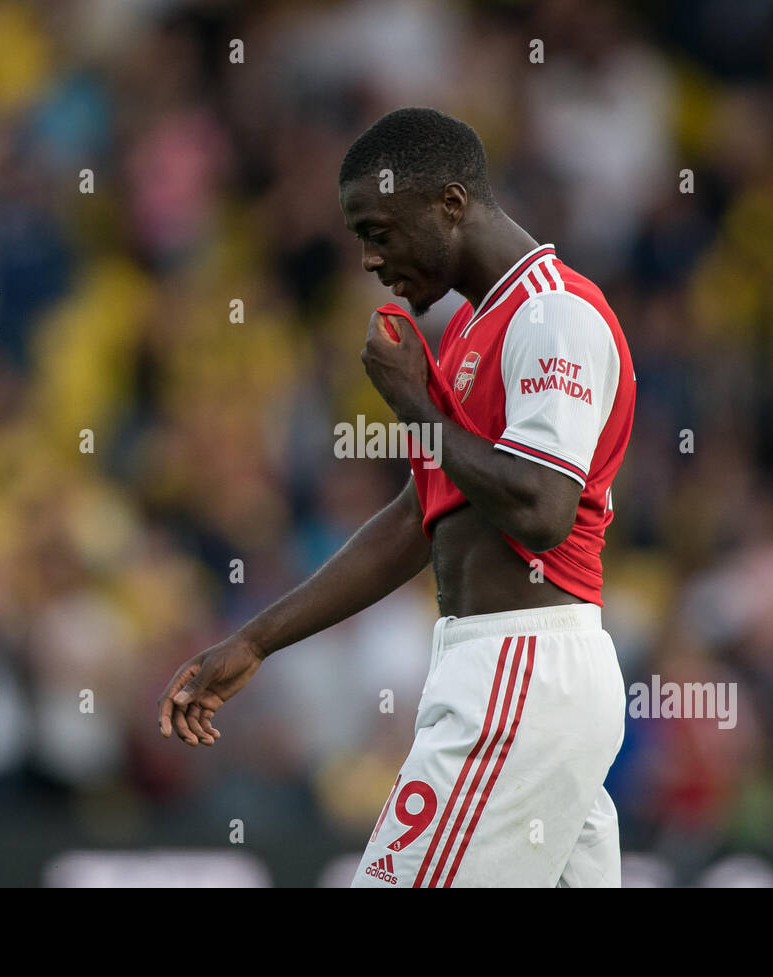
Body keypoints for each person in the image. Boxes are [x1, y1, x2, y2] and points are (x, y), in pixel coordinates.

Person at [158, 107, 636, 887]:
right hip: (515, 674)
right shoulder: (475, 328)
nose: (371, 260)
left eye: (379, 231)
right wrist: (256, 640)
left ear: (450, 203)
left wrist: (415, 404)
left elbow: (544, 511)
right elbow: (419, 517)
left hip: (522, 667)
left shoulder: (553, 315)